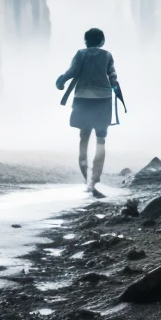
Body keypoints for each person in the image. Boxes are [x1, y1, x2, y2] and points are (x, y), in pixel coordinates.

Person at [56, 27, 124, 197]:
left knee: (84, 137)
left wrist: (61, 80)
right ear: (102, 41)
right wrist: (117, 90)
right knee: (101, 139)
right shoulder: (107, 55)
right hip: (103, 100)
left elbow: (72, 72)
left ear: (85, 41)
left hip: (83, 99)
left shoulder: (80, 54)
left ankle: (86, 176)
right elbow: (112, 76)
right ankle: (95, 179)